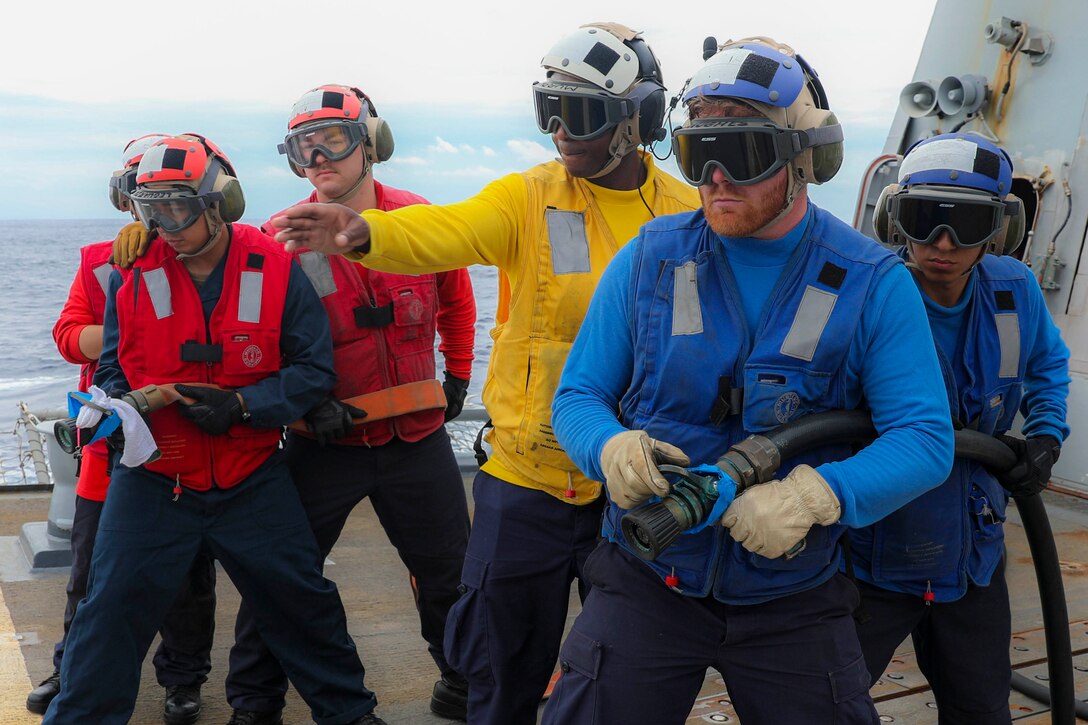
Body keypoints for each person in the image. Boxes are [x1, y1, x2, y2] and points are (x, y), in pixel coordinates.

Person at [266, 23, 700, 725]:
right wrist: (362, 233)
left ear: (637, 120)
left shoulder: (687, 215)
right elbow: (448, 230)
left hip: (637, 484)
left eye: (580, 113)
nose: (560, 130)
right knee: (498, 670)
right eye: (546, 109)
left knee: (626, 671)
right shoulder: (527, 196)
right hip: (529, 480)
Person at [542, 37, 956, 724]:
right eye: (696, 150)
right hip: (649, 574)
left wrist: (818, 495)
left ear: (803, 161)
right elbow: (579, 396)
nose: (713, 178)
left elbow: (925, 439)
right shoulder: (648, 259)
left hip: (795, 588)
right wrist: (607, 448)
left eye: (740, 153)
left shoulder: (871, 283)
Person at [43, 134, 386, 725]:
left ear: (218, 204)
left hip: (249, 475)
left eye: (176, 208)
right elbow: (111, 366)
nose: (163, 226)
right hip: (154, 478)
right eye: (151, 210)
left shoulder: (275, 266)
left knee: (303, 605)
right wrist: (117, 410)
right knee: (109, 611)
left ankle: (351, 715)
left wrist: (245, 406)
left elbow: (313, 369)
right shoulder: (131, 274)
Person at [222, 85, 476, 725]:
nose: (318, 158)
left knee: (451, 573)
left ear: (372, 144)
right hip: (324, 443)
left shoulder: (418, 217)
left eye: (333, 141)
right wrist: (303, 409)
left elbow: (456, 297)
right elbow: (251, 338)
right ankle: (255, 703)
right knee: (282, 575)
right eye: (304, 148)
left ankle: (464, 682)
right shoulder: (278, 237)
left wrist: (459, 376)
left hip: (417, 438)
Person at [849, 132, 1071, 723]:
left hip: (973, 551)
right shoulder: (867, 295)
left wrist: (1046, 436)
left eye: (966, 225)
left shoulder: (1014, 290)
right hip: (872, 553)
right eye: (925, 220)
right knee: (826, 705)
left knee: (980, 709)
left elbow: (1048, 366)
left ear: (999, 230)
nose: (942, 244)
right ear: (894, 219)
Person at [37, 134, 217, 725]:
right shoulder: (98, 261)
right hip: (110, 445)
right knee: (87, 569)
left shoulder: (208, 255)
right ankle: (72, 667)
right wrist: (122, 320)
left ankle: (182, 679)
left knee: (188, 576)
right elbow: (69, 337)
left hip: (182, 441)